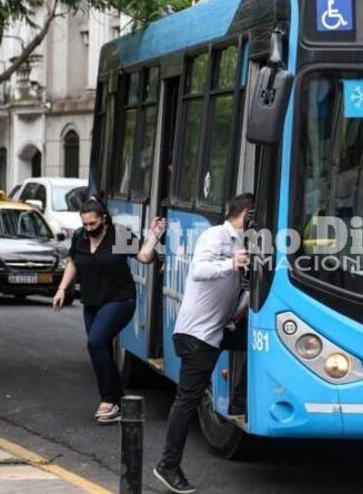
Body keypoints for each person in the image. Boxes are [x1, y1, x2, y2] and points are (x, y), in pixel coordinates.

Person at [153, 193, 254, 494]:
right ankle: (167, 465)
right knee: (187, 401)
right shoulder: (216, 235)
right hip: (197, 335)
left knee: (264, 345)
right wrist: (231, 263)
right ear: (246, 214)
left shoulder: (240, 243)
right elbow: (198, 271)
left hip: (218, 330)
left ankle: (239, 400)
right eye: (255, 218)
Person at [52, 198, 166, 424]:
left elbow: (144, 257)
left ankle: (108, 400)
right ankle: (118, 401)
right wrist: (62, 289)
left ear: (103, 219)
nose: (88, 229)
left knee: (95, 342)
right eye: (85, 224)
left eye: (92, 224)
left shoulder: (119, 235)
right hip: (92, 301)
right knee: (100, 348)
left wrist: (154, 236)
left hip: (120, 299)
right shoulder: (79, 237)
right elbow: (74, 262)